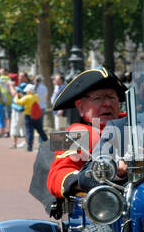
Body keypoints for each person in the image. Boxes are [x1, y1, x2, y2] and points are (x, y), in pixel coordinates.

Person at [46, 68, 128, 198]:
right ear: (80, 107)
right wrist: (97, 177)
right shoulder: (72, 133)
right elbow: (56, 176)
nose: (107, 103)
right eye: (98, 98)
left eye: (111, 97)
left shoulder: (136, 123)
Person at [15, 84, 47, 153]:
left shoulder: (27, 97)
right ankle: (46, 142)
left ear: (29, 91)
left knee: (29, 131)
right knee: (40, 130)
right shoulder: (36, 96)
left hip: (28, 116)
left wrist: (17, 97)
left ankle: (29, 147)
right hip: (36, 116)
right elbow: (29, 99)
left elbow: (19, 102)